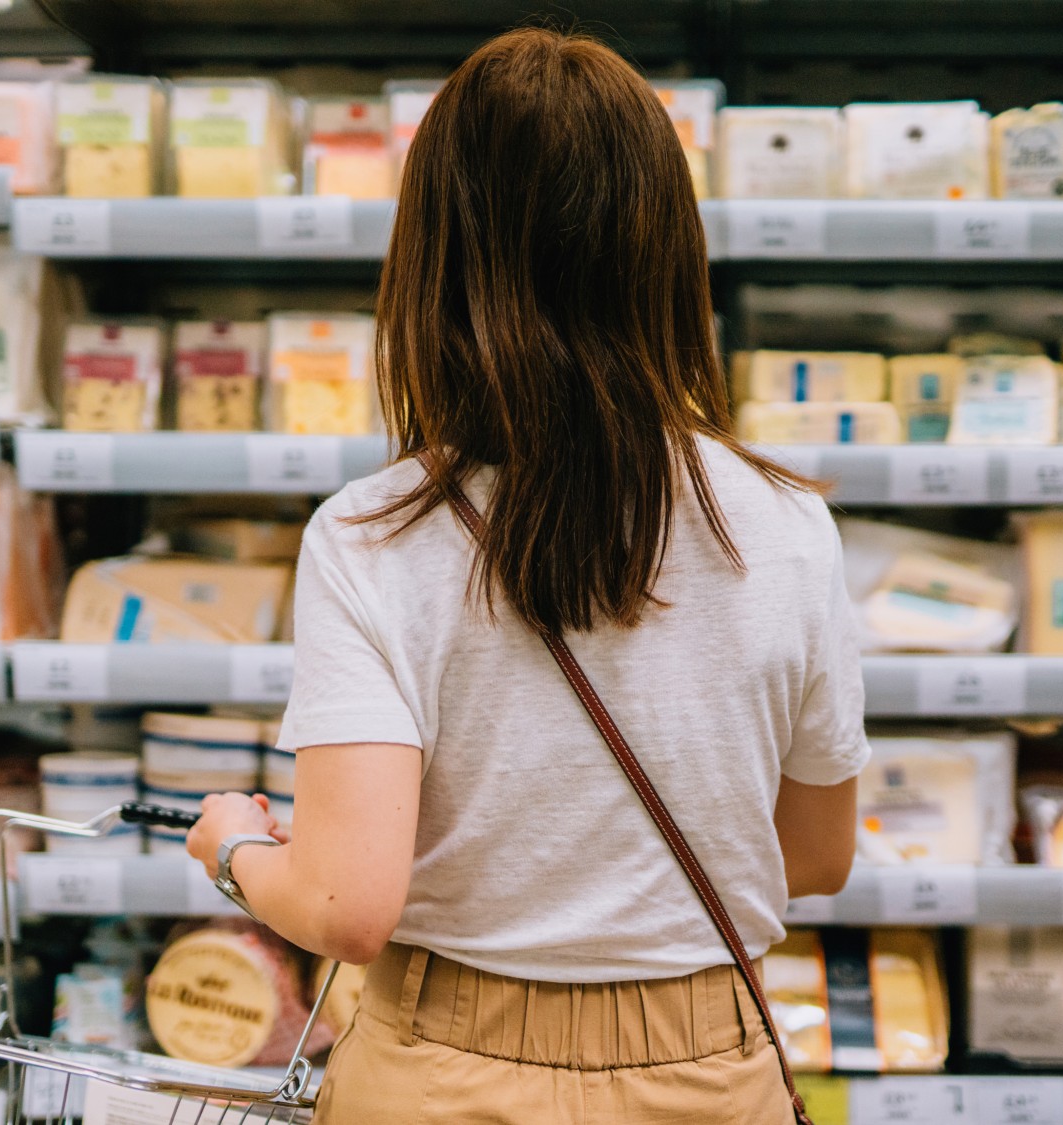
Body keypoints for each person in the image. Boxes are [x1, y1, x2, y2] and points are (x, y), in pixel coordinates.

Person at [185, 26, 868, 1124]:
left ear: (434, 257)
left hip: (444, 1069)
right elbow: (815, 856)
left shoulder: (371, 534)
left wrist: (234, 848)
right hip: (704, 1062)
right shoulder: (787, 526)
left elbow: (346, 906)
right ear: (664, 251)